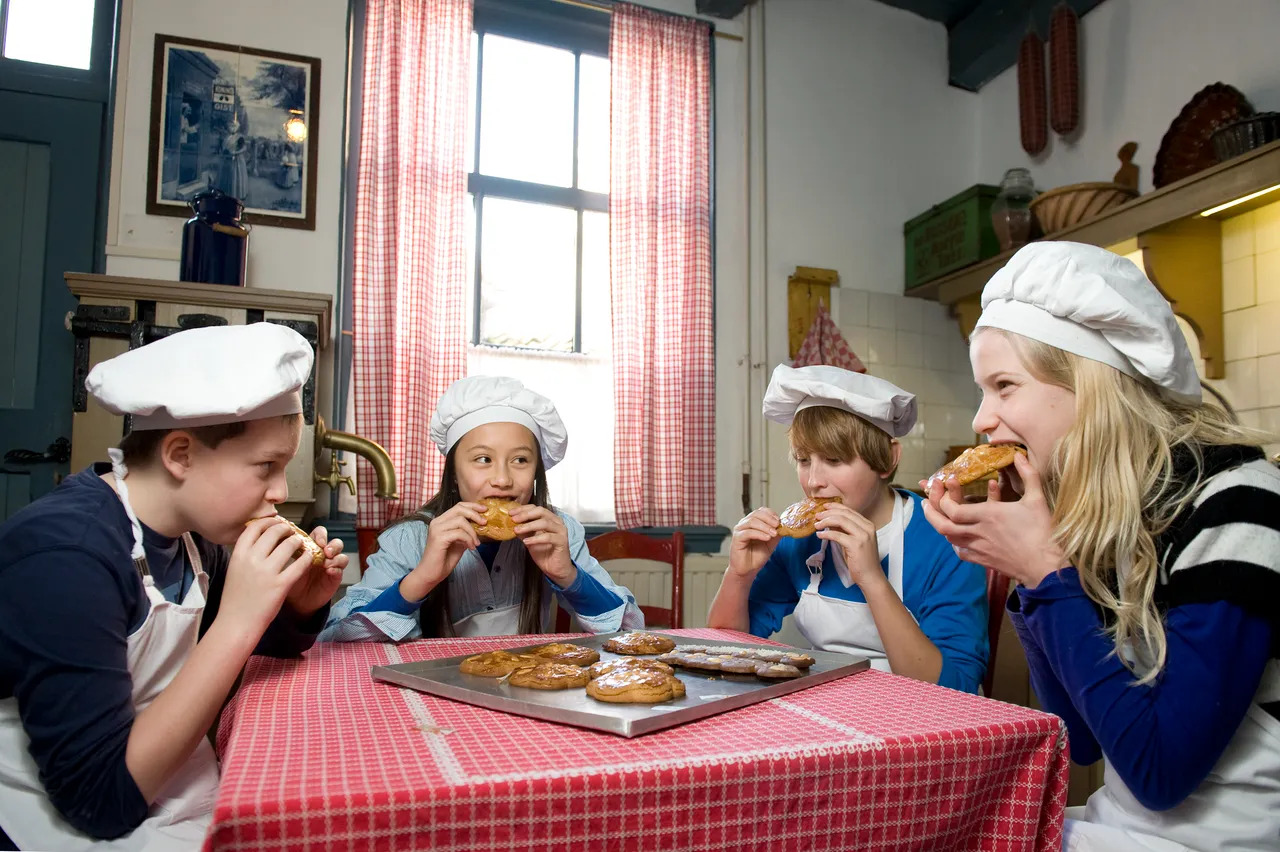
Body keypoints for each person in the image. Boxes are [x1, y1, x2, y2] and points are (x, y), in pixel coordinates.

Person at [921, 241, 1280, 850]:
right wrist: (1031, 580)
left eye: (1004, 385)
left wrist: (1045, 574)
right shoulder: (1116, 516)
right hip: (1118, 825)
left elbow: (1161, 773)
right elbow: (1084, 737)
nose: (982, 419)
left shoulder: (1240, 505)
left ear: (1092, 385)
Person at [0, 323, 347, 850]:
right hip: (52, 817)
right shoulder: (65, 557)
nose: (279, 492)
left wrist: (296, 608)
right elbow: (99, 800)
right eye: (266, 466)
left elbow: (248, 649)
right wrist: (238, 620)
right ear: (180, 454)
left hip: (171, 791)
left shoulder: (192, 536)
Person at [706, 365, 989, 693]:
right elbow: (728, 649)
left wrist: (871, 578)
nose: (814, 481)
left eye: (834, 460)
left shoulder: (946, 540)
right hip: (833, 706)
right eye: (803, 460)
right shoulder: (799, 542)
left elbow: (954, 689)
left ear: (888, 458)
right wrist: (738, 576)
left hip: (924, 720)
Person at [322, 375, 643, 641]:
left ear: (536, 471)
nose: (502, 479)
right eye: (483, 459)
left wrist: (568, 575)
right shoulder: (410, 539)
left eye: (520, 460)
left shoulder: (558, 531)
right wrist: (422, 578)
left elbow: (631, 631)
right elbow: (337, 639)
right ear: (453, 472)